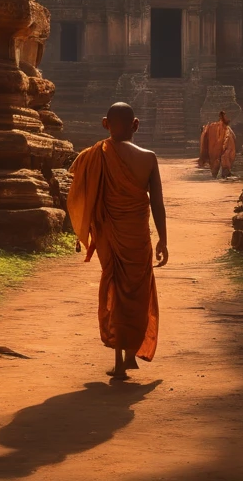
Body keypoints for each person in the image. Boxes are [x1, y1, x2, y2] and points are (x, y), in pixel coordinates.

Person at [67, 102, 168, 381]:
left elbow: (79, 195)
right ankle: (129, 355)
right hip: (137, 237)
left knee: (114, 286)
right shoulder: (148, 157)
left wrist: (85, 230)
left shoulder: (92, 156)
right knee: (137, 291)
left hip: (110, 235)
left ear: (104, 124)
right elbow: (157, 203)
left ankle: (119, 359)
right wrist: (164, 239)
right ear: (136, 125)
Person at [198, 110, 237, 179]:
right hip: (217, 147)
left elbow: (233, 137)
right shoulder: (215, 127)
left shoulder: (223, 128)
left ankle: (222, 173)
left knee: (223, 157)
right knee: (219, 159)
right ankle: (220, 174)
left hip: (221, 147)